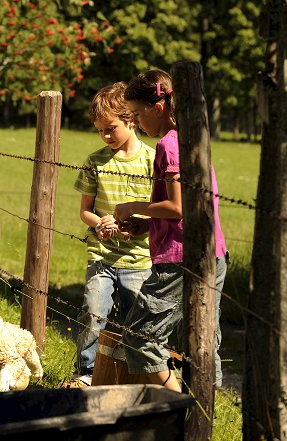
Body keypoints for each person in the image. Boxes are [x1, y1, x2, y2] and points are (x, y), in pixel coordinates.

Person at [113, 69, 228, 391]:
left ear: (157, 107)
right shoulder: (187, 139)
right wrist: (148, 224)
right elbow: (187, 210)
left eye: (137, 114)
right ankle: (202, 414)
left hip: (180, 259)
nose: (135, 122)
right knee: (202, 340)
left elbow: (179, 207)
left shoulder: (168, 146)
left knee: (140, 337)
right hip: (210, 252)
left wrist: (132, 207)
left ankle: (178, 406)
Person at [67, 82, 155, 387]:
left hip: (139, 259)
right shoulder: (95, 161)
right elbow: (85, 211)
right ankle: (86, 374)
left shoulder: (152, 161)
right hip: (102, 256)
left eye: (111, 128)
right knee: (93, 313)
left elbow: (161, 209)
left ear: (131, 120)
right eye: (99, 131)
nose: (105, 136)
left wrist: (139, 221)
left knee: (135, 322)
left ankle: (131, 376)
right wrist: (99, 223)